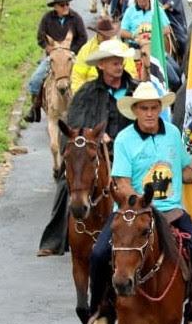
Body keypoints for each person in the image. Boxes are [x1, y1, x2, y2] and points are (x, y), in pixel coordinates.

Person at [85, 82, 192, 324]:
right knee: (99, 254)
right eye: (144, 108)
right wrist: (140, 202)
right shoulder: (124, 139)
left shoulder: (173, 134)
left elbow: (185, 171)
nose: (149, 113)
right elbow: (121, 183)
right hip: (132, 213)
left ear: (160, 109)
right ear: (135, 110)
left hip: (171, 211)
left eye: (154, 107)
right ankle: (101, 311)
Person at [37, 40, 138, 256]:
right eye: (113, 62)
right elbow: (74, 124)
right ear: (101, 65)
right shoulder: (86, 93)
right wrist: (95, 135)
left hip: (131, 152)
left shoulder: (135, 90)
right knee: (67, 183)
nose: (118, 66)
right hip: (94, 152)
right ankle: (55, 239)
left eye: (120, 61)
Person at [25, 0, 88, 123]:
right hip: (53, 57)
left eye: (67, 4)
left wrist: (70, 51)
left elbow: (83, 38)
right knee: (35, 80)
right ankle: (35, 108)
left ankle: (86, 109)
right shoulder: (47, 18)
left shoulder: (75, 18)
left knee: (85, 78)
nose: (66, 7)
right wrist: (49, 48)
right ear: (55, 7)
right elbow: (40, 38)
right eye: (62, 5)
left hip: (71, 56)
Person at [71, 17, 137, 93]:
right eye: (104, 35)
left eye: (109, 34)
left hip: (118, 90)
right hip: (91, 92)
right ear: (98, 33)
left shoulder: (122, 48)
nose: (107, 37)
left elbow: (131, 74)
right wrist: (81, 96)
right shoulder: (86, 49)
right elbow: (77, 76)